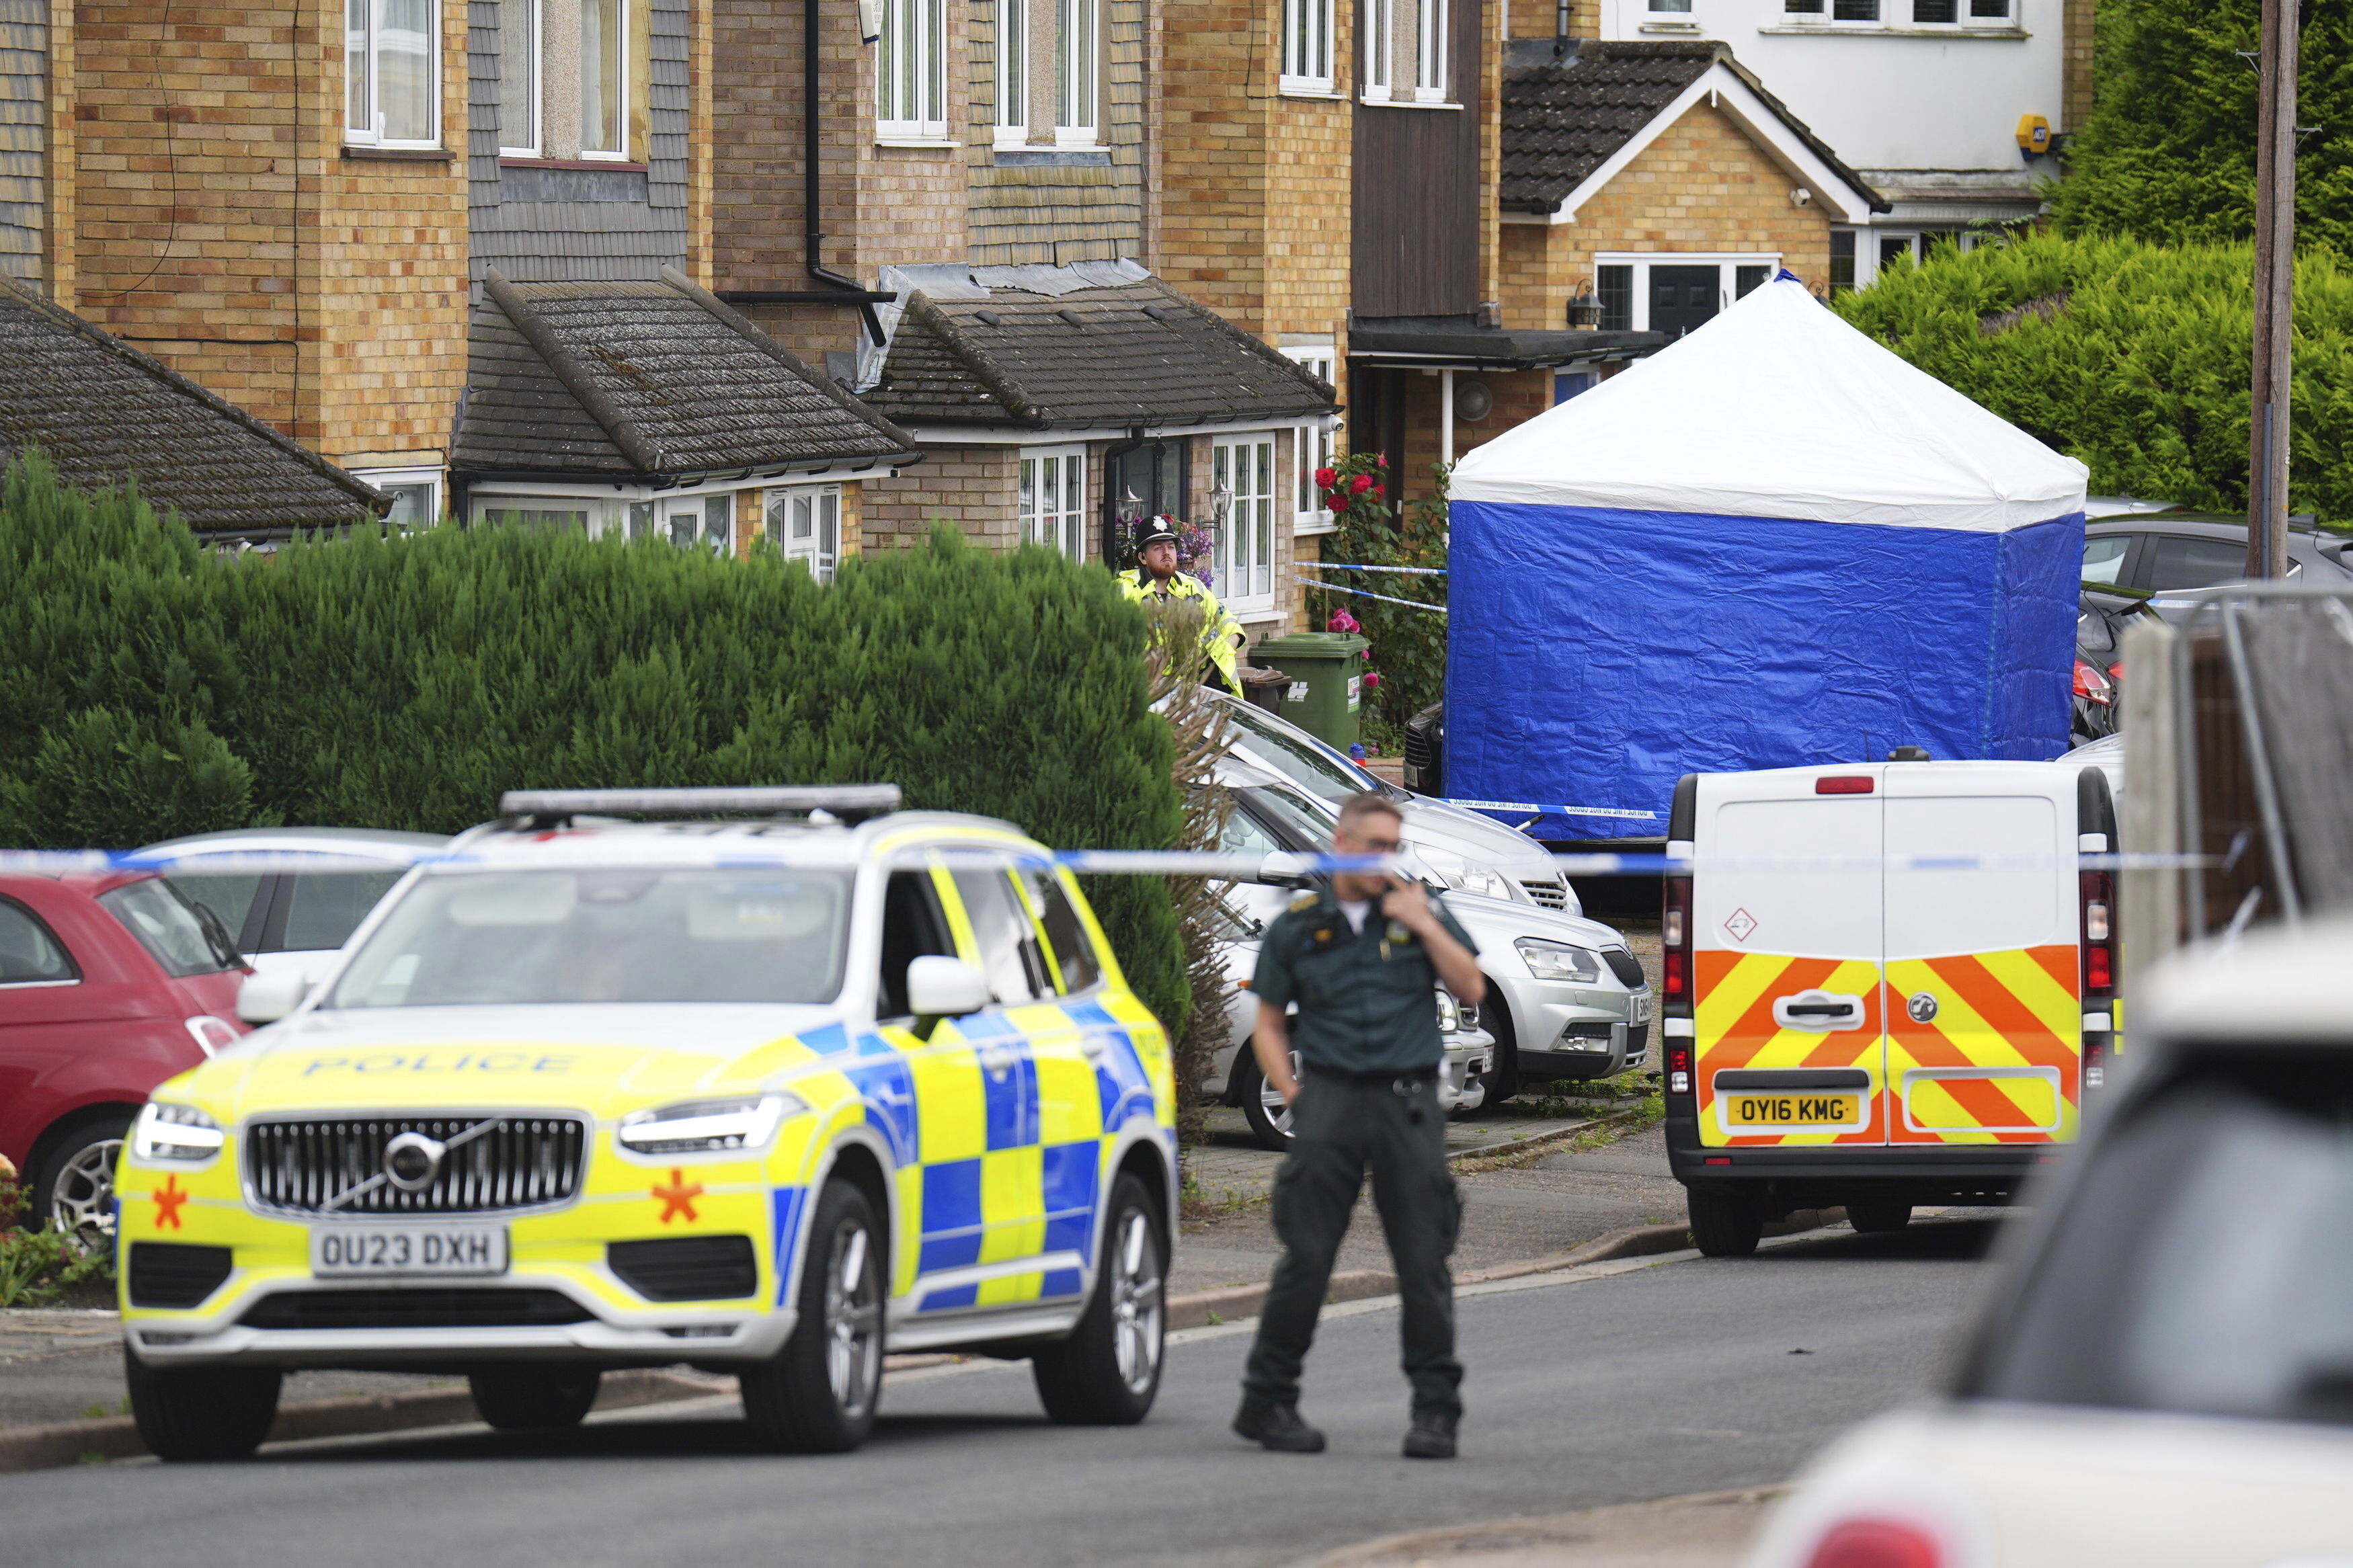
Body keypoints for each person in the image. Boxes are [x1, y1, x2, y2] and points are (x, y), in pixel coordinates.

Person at [1234, 792, 1485, 1460]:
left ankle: (1435, 1411)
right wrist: (1293, 1091)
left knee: (1423, 1258)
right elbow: (1267, 1022)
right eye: (1373, 845)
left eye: (1392, 847)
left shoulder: (1416, 908)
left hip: (1406, 1104)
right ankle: (1267, 1400)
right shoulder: (1299, 924)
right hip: (1331, 1100)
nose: (1384, 859)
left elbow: (1471, 987)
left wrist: (1424, 923)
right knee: (1308, 1255)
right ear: (1340, 843)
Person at [1117, 520, 1244, 694]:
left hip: (1202, 688)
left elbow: (1228, 621)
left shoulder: (1193, 587)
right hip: (1150, 691)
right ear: (1143, 558)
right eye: (1158, 548)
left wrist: (1223, 652)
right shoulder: (1125, 591)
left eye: (1171, 547)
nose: (1166, 553)